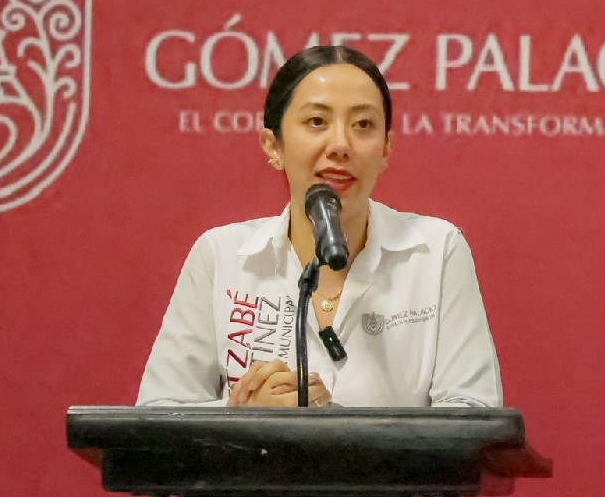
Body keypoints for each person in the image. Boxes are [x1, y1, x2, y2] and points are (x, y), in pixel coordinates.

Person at [136, 44, 501, 411]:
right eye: (317, 122)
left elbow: (473, 412)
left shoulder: (435, 251)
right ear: (273, 145)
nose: (340, 145)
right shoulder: (221, 256)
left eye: (363, 125)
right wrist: (240, 414)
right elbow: (158, 414)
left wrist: (340, 430)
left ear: (386, 149)